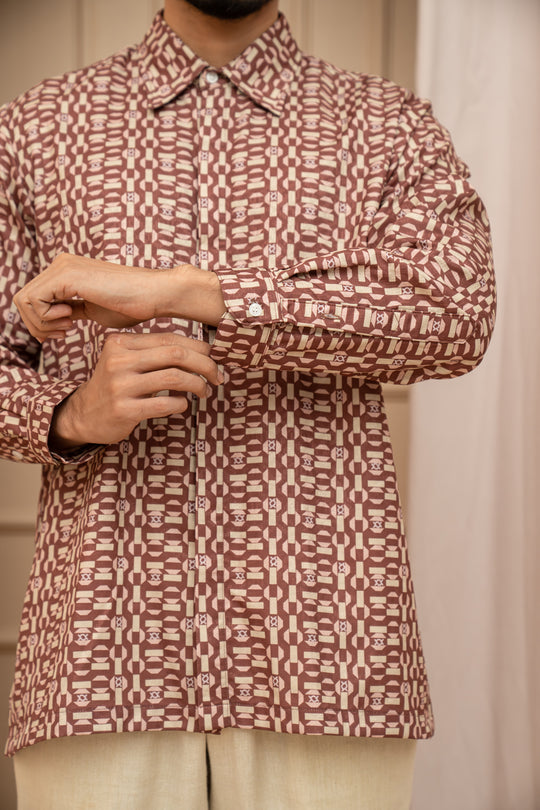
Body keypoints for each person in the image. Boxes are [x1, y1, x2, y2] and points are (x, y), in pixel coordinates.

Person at [0, 0, 496, 808]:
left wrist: (198, 295)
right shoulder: (33, 129)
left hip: (326, 649)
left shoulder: (389, 126)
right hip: (100, 650)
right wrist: (71, 415)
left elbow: (454, 316)